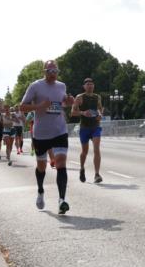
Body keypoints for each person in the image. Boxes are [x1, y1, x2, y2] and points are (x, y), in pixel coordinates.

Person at [19, 60, 70, 214]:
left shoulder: (62, 86)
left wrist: (69, 102)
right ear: (44, 71)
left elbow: (62, 103)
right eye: (50, 71)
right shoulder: (35, 86)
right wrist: (39, 106)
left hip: (60, 130)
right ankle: (40, 191)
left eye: (55, 71)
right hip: (41, 133)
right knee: (41, 166)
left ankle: (62, 200)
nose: (53, 74)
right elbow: (22, 106)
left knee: (61, 163)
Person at [70, 77, 103, 183]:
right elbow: (73, 112)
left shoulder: (97, 97)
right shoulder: (80, 97)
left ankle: (97, 174)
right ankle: (82, 168)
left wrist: (100, 115)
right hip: (84, 127)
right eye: (87, 84)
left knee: (96, 149)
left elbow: (100, 109)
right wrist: (83, 113)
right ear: (84, 86)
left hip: (95, 126)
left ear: (94, 86)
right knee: (84, 151)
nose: (90, 86)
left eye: (92, 84)